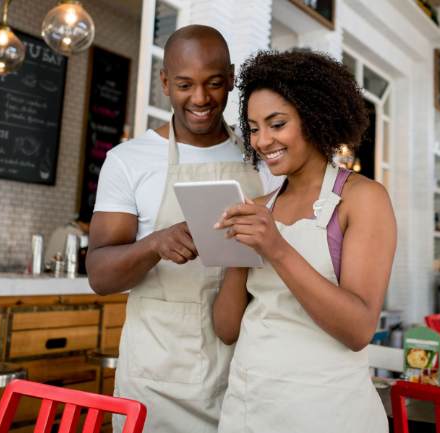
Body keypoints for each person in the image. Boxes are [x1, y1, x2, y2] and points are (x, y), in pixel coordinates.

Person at [87, 26, 279, 433]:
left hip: (244, 371)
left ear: (230, 78)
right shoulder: (129, 161)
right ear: (163, 83)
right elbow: (100, 276)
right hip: (157, 379)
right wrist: (154, 244)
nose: (200, 98)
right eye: (184, 84)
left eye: (213, 83)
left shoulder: (261, 156)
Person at [212, 50, 397, 433]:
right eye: (254, 127)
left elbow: (358, 329)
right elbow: (227, 328)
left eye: (276, 124)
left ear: (314, 117)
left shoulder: (362, 199)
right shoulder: (260, 208)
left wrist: (276, 248)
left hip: (329, 413)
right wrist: (234, 251)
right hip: (250, 409)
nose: (263, 141)